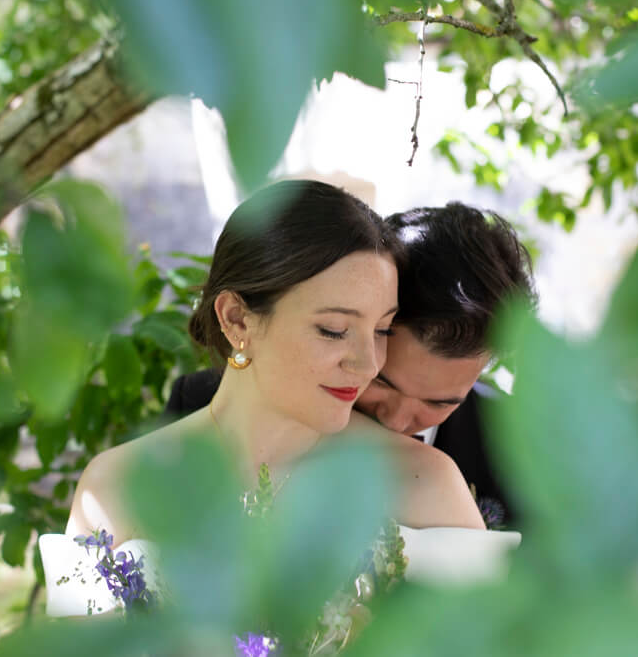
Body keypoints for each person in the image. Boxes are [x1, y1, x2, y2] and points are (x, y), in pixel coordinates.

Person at [66, 180, 485, 545]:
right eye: (334, 330)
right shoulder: (114, 486)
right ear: (236, 319)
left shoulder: (424, 484)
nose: (369, 365)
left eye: (381, 330)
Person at [166, 202, 535, 527]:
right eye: (384, 383)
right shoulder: (198, 406)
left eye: (438, 403)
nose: (396, 422)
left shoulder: (520, 452)